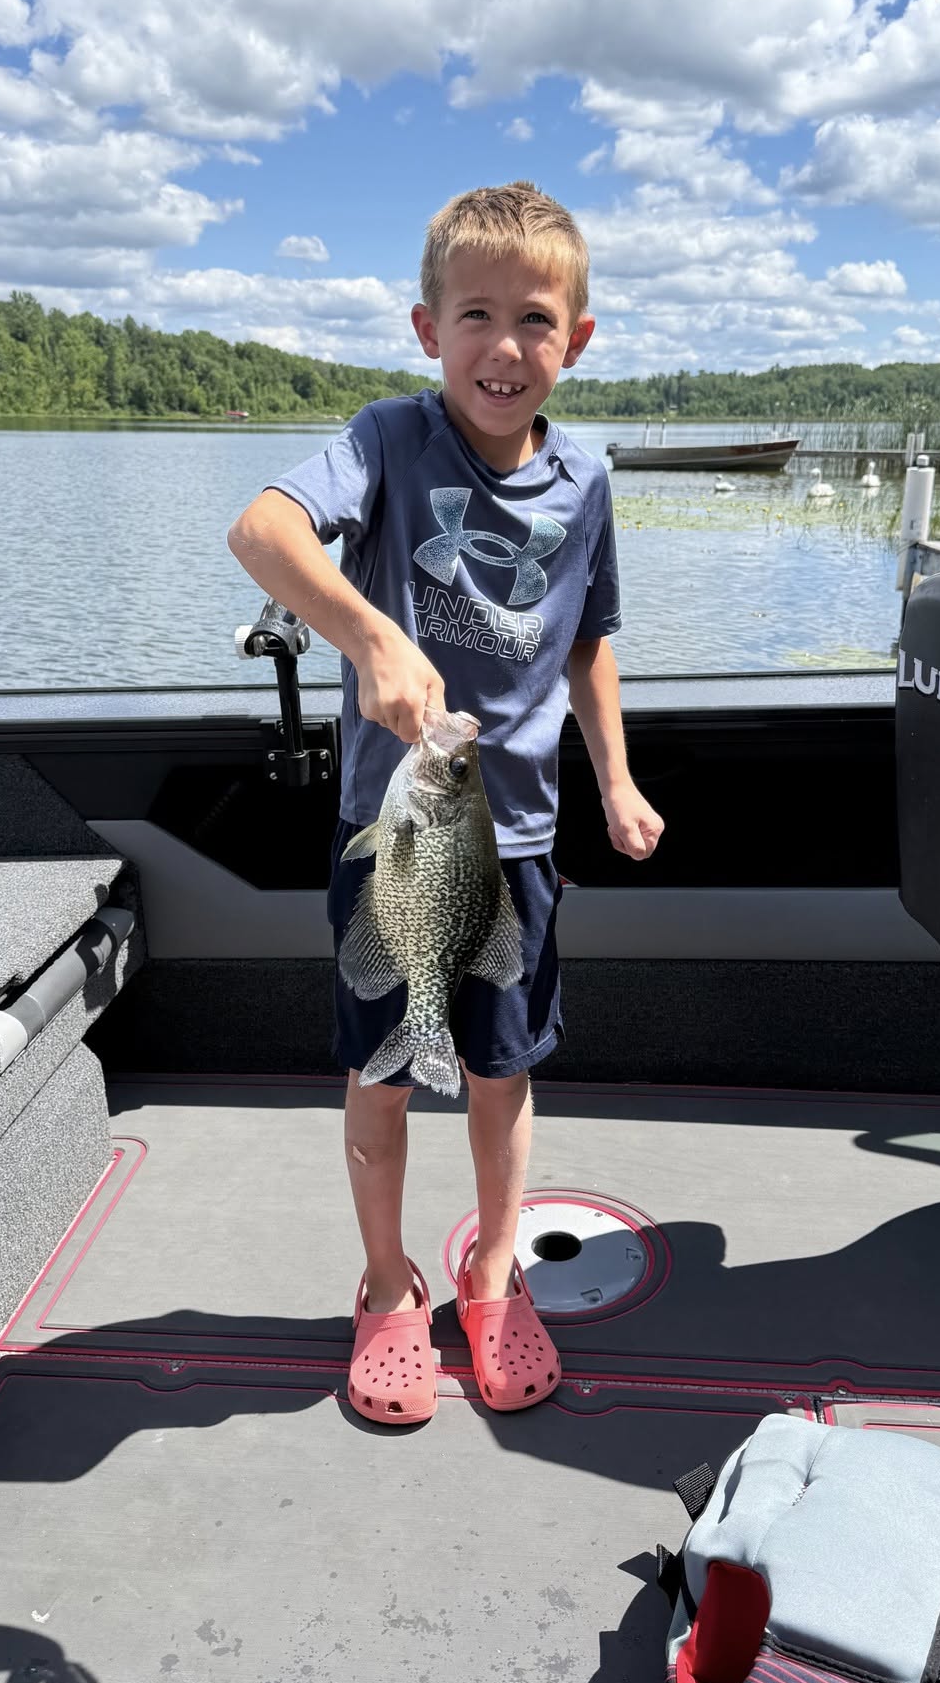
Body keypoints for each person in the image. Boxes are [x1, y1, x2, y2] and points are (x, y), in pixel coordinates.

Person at [226, 180, 663, 1426]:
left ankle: (490, 1270)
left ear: (575, 342)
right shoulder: (385, 443)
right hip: (401, 845)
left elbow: (589, 642)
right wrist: (368, 637)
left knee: (501, 1074)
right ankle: (383, 1282)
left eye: (535, 319)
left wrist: (618, 779)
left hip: (517, 842)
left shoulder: (586, 480)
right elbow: (264, 531)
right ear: (428, 329)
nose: (504, 345)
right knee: (379, 1073)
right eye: (475, 314)